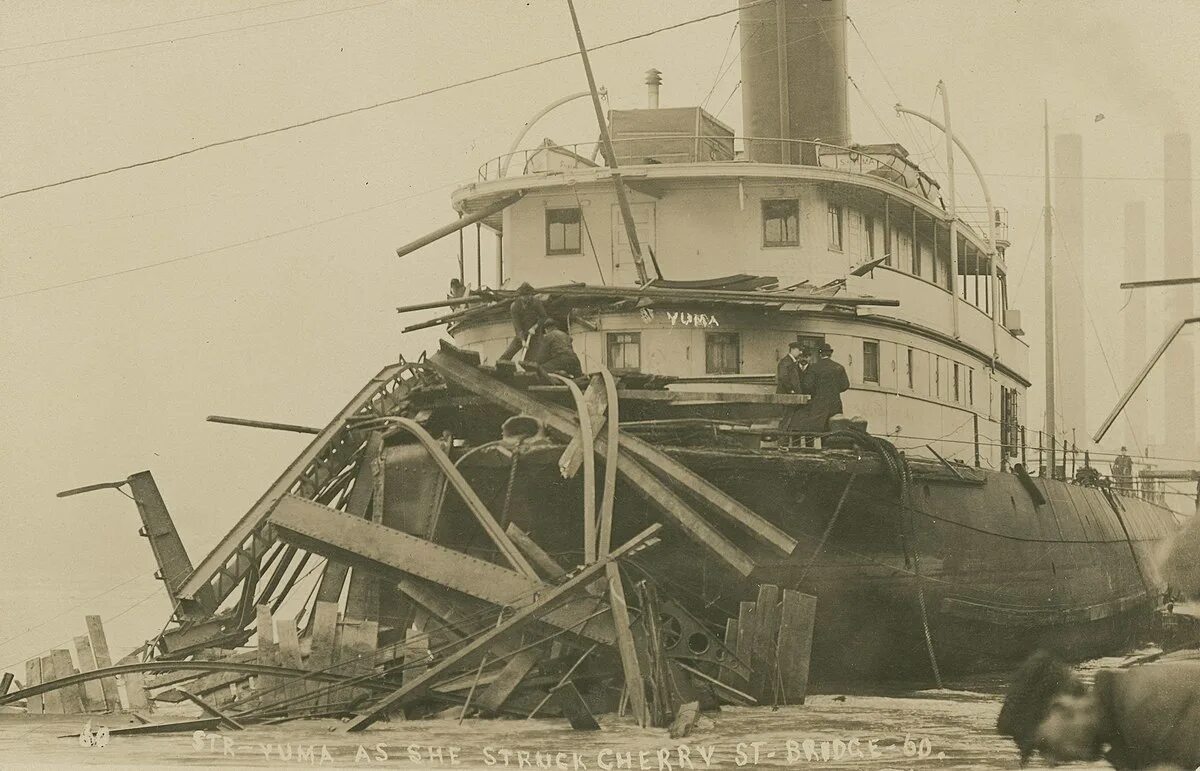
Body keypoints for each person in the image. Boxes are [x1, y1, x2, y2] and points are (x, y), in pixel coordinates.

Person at [996, 649, 1200, 769]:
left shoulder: (1143, 707)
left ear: (1061, 707)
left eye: (1044, 746)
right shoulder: (1127, 713)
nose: (1050, 762)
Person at [797, 342, 850, 431]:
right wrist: (834, 390)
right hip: (835, 404)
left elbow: (807, 386)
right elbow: (845, 385)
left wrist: (816, 392)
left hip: (818, 404)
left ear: (820, 354)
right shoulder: (839, 367)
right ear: (830, 354)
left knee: (817, 430)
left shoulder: (814, 367)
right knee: (834, 428)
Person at [498, 282, 547, 362]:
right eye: (524, 296)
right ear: (520, 296)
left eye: (528, 295)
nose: (526, 298)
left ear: (531, 294)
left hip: (535, 335)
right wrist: (522, 340)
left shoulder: (536, 303)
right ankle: (500, 367)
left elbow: (543, 317)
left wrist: (535, 327)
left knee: (530, 359)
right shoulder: (515, 306)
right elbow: (517, 325)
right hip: (522, 333)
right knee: (508, 354)